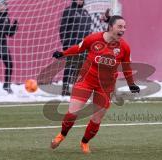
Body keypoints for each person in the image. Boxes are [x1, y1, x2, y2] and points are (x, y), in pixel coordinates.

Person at [51, 15, 140, 153]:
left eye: (125, 27)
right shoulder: (93, 39)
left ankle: (84, 142)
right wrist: (63, 53)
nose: (123, 30)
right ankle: (62, 135)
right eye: (120, 26)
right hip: (86, 79)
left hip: (106, 86)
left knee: (96, 119)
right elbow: (78, 48)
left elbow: (127, 67)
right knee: (72, 113)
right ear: (111, 27)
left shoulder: (124, 47)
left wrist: (131, 84)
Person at [60, 0, 91, 96]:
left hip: (84, 45)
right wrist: (65, 43)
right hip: (71, 44)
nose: (80, 1)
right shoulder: (68, 11)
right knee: (70, 66)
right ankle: (65, 89)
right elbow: (63, 29)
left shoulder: (85, 13)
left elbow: (88, 30)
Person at [0, 1, 18, 93]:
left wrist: (14, 27)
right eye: (2, 5)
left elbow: (9, 33)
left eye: (5, 5)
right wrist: (1, 24)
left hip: (3, 45)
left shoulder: (6, 17)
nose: (4, 6)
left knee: (9, 65)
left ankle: (6, 86)